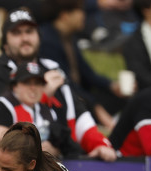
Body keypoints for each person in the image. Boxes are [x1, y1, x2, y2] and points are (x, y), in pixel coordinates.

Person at [0, 7, 117, 161]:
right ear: (5, 44)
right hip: (3, 169)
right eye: (16, 33)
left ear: (39, 37)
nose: (24, 38)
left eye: (29, 31)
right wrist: (41, 95)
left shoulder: (53, 69)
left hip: (60, 161)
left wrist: (98, 144)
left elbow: (79, 115)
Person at [38, 0, 127, 131]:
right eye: (80, 11)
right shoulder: (47, 40)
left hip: (81, 94)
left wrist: (112, 85)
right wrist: (96, 107)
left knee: (120, 97)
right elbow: (64, 83)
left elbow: (88, 73)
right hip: (63, 98)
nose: (83, 15)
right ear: (65, 15)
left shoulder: (69, 37)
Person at [0, 60, 83, 158]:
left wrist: (54, 149)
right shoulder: (1, 107)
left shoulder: (47, 111)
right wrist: (38, 150)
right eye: (27, 82)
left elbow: (60, 147)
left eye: (37, 83)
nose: (33, 88)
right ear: (15, 86)